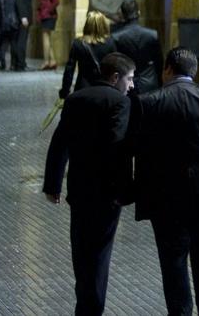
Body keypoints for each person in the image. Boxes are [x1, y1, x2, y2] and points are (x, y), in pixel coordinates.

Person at [132, 48, 199, 316]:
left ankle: (180, 312)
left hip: (165, 195)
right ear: (195, 71)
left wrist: (139, 193)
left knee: (173, 261)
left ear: (167, 69)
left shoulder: (149, 102)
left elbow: (140, 152)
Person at [44, 51, 136, 316]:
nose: (131, 85)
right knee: (100, 253)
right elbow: (116, 146)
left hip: (79, 188)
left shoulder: (76, 99)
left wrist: (53, 184)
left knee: (81, 250)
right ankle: (91, 308)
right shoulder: (120, 102)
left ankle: (84, 301)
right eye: (129, 79)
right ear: (115, 77)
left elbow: (59, 143)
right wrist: (124, 188)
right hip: (107, 192)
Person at [60, 11, 117, 99]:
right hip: (104, 88)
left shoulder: (78, 43)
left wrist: (65, 91)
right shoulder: (110, 43)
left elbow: (69, 70)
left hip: (83, 87)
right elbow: (115, 67)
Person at [111, 0, 163, 94]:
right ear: (139, 13)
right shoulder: (152, 34)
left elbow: (115, 65)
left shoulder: (116, 37)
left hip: (125, 83)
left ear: (122, 15)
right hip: (150, 82)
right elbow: (159, 62)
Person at [36, 0, 60, 70]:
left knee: (45, 38)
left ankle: (46, 61)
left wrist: (47, 11)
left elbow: (56, 0)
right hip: (45, 15)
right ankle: (52, 60)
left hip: (49, 16)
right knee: (47, 38)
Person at [12, 0, 33, 71]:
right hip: (23, 18)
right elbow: (20, 2)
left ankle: (21, 63)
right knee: (21, 41)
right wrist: (23, 17)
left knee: (22, 41)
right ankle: (20, 64)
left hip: (26, 17)